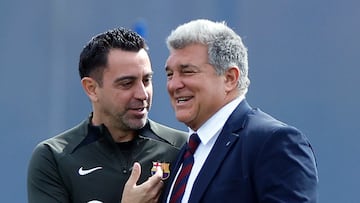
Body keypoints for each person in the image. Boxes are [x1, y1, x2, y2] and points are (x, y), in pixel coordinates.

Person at [162, 19, 319, 203]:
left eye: (187, 72)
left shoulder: (273, 143)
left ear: (229, 78)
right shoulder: (184, 153)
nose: (173, 85)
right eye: (170, 74)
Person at [27, 27, 187, 203]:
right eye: (127, 83)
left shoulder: (183, 148)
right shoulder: (54, 158)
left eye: (146, 80)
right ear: (92, 89)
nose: (142, 94)